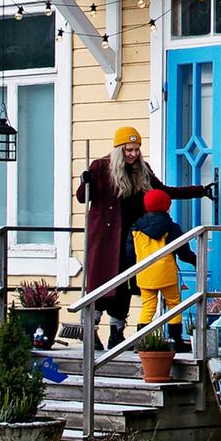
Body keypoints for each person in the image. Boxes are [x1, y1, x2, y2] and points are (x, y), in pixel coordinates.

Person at [76, 127, 213, 348]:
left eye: (137, 149)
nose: (133, 154)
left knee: (126, 285)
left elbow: (165, 191)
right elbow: (83, 198)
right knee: (102, 285)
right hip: (105, 238)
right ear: (120, 149)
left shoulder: (143, 170)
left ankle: (117, 333)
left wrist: (200, 191)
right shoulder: (101, 167)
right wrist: (86, 182)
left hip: (133, 237)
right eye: (129, 149)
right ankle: (90, 331)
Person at [130, 188, 205, 345]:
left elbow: (128, 253)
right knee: (174, 304)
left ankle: (142, 341)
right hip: (166, 273)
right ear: (167, 206)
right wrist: (196, 261)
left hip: (144, 273)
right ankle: (175, 339)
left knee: (148, 306)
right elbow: (183, 251)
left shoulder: (136, 228)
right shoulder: (171, 227)